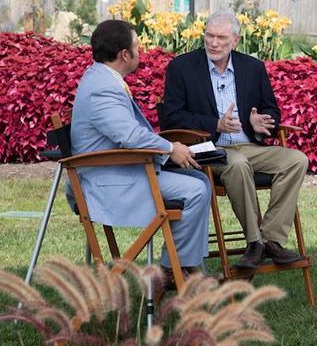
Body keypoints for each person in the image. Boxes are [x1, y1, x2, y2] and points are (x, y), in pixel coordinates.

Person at [161, 10, 308, 269]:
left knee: (296, 160)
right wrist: (214, 124)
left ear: (235, 41)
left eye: (221, 38)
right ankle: (254, 242)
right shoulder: (182, 67)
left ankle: (271, 239)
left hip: (249, 143)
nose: (213, 43)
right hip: (207, 148)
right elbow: (172, 118)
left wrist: (260, 121)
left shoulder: (253, 67)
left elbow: (272, 110)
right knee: (237, 162)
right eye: (209, 36)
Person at [70, 20, 211, 279]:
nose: (141, 52)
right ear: (125, 54)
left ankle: (180, 266)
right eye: (138, 46)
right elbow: (129, 135)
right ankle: (174, 271)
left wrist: (171, 151)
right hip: (107, 183)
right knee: (197, 190)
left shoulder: (102, 78)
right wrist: (171, 149)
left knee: (199, 178)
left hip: (119, 170)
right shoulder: (102, 87)